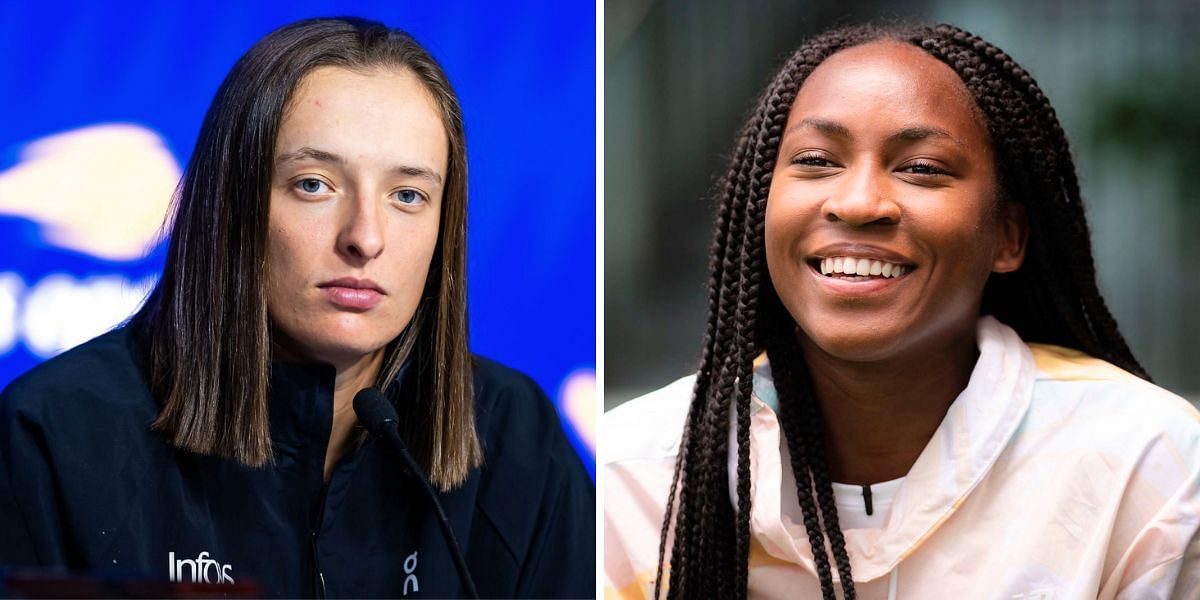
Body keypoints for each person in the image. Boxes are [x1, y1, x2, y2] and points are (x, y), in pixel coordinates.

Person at [0, 17, 594, 598]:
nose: (365, 237)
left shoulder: (514, 434)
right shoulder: (51, 439)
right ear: (230, 202)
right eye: (314, 184)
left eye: (408, 195)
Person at [604, 23, 1200, 599]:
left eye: (921, 168)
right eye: (816, 160)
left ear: (1007, 238)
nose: (860, 202)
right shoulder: (634, 473)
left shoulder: (1146, 465)